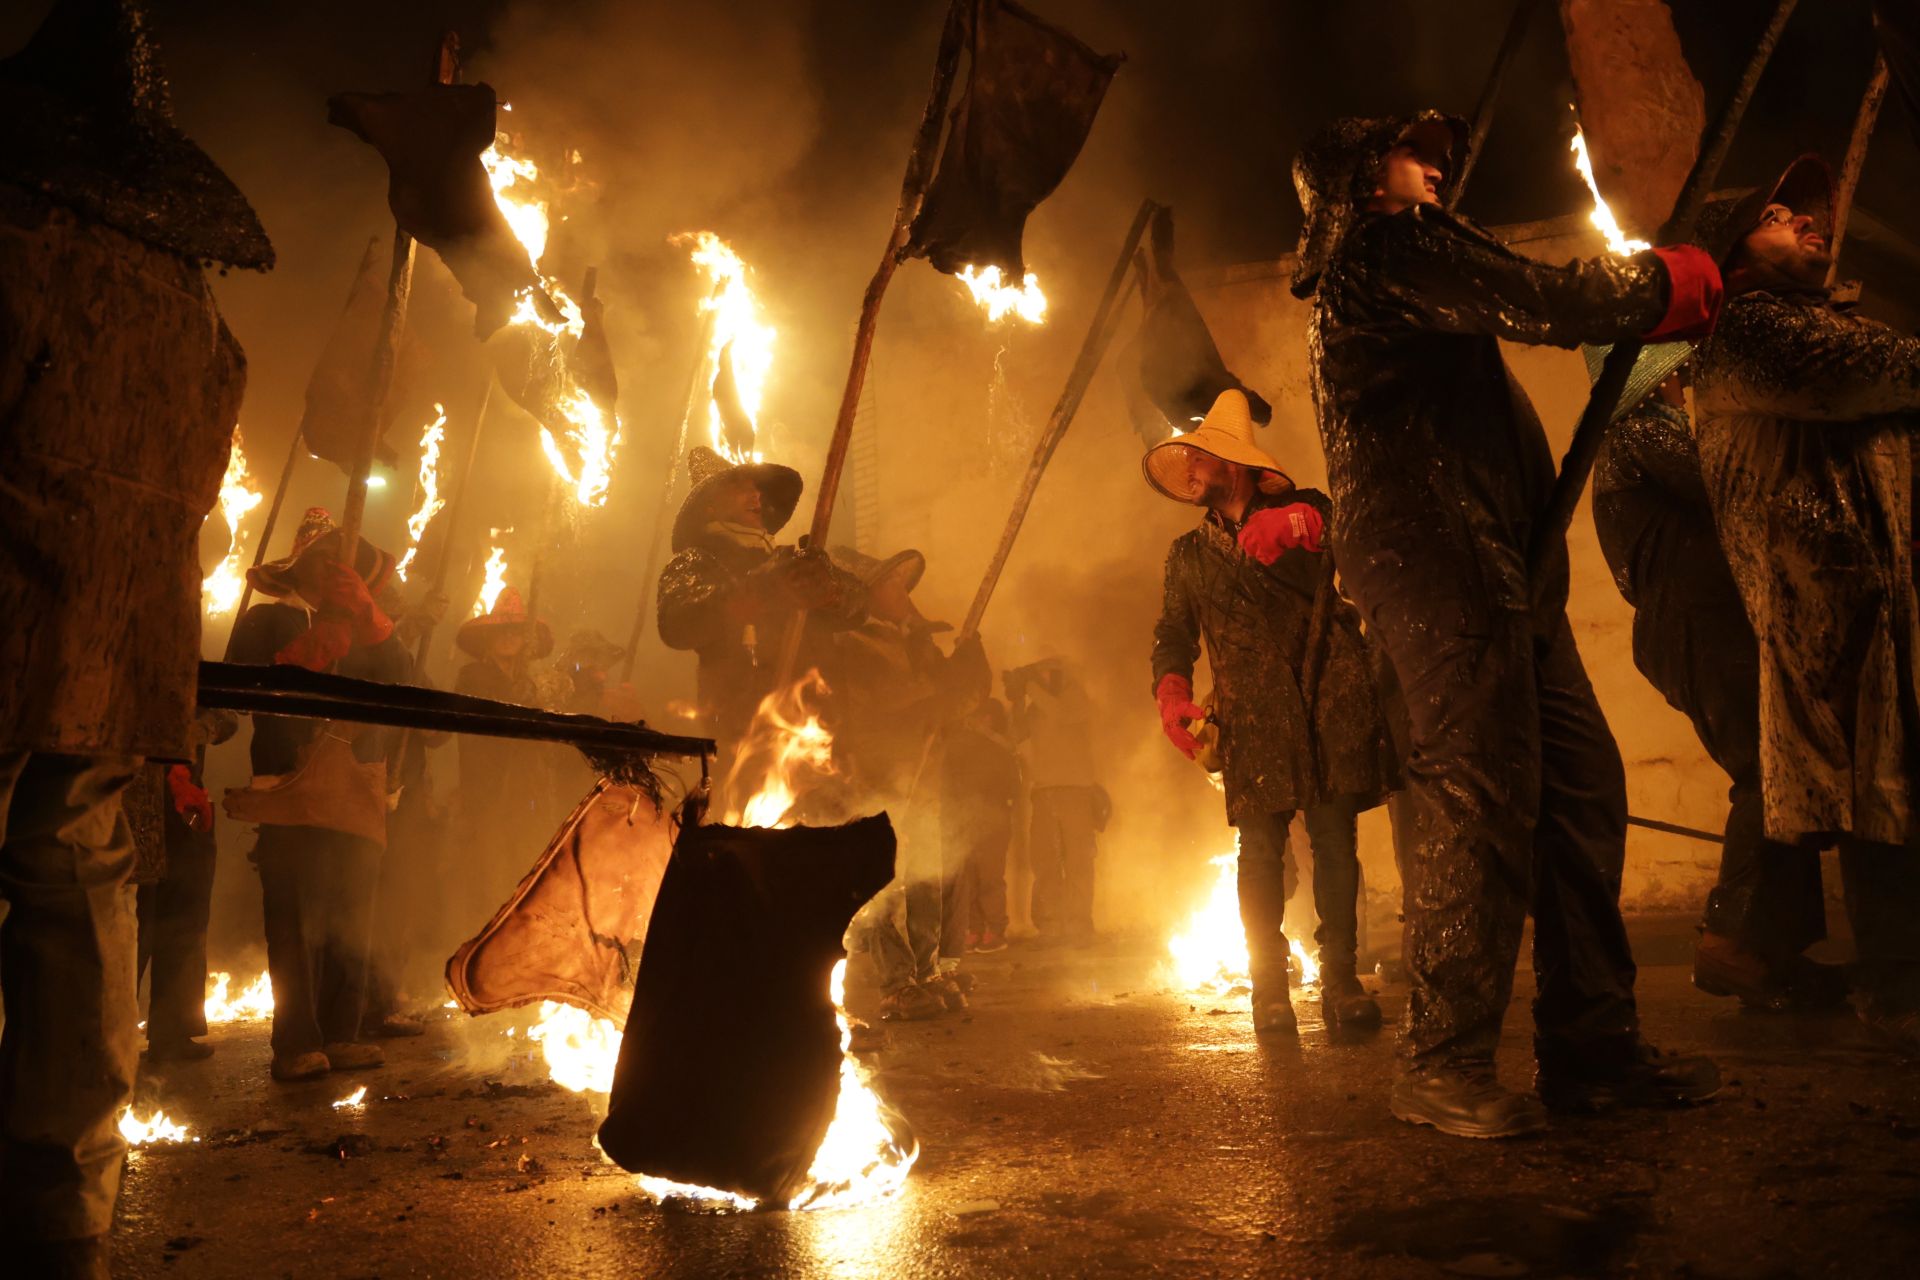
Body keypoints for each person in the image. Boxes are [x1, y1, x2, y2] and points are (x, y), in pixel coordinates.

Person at [1292, 110, 1723, 1136]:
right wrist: (1682, 279)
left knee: (1579, 787)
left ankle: (1593, 1049)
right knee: (1480, 798)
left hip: (1504, 570)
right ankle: (1441, 1058)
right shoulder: (1384, 250)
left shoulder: (1414, 252)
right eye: (1411, 150)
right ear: (1358, 179)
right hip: (1441, 569)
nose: (1436, 162)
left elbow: (1511, 294)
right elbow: (1549, 297)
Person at [0, 1, 268, 1269]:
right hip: (118, 651)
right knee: (76, 897)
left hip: (13, 626)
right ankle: (64, 1209)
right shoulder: (195, 307)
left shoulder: (18, 238)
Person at [1690, 154, 1920, 1052]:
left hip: (1877, 592)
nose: (1810, 223)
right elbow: (1872, 369)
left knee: (1893, 786)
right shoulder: (1748, 330)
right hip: (1824, 602)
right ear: (1733, 251)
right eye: (1780, 214)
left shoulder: (1815, 322)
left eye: (1811, 213)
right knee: (1877, 792)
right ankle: (1896, 989)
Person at [1592, 362, 1847, 1014]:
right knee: (1767, 773)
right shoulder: (1640, 433)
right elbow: (1736, 480)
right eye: (1679, 374)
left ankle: (1771, 953)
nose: (1690, 384)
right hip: (1698, 624)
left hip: (1703, 622)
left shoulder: (1638, 437)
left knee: (1779, 775)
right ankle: (1731, 939)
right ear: (1655, 383)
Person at [1146, 388, 1400, 1035]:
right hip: (1252, 715)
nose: (1190, 472)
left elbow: (1351, 532)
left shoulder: (1307, 510)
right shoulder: (1187, 557)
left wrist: (1303, 527)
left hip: (1326, 700)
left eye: (1200, 460)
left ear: (1231, 464)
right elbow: (1173, 634)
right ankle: (1268, 991)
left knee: (1334, 842)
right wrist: (1172, 693)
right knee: (1257, 852)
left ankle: (1340, 983)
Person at [226, 511, 406, 1083]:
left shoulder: (368, 623)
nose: (332, 568)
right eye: (321, 560)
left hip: (357, 784)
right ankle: (296, 1042)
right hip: (285, 780)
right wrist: (307, 649)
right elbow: (239, 684)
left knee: (353, 913)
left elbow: (405, 685)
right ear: (300, 567)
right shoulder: (264, 621)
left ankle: (343, 1033)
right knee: (293, 918)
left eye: (341, 560)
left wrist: (371, 621)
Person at [656, 446, 867, 770]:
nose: (754, 494)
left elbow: (859, 605)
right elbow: (678, 623)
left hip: (821, 739)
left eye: (756, 487)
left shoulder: (793, 561)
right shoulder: (698, 560)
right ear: (710, 506)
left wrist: (830, 589)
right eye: (739, 486)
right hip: (748, 743)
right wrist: (762, 590)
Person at [134, 710, 240, 1061]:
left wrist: (202, 728)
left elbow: (230, 714)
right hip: (132, 803)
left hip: (185, 807)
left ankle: (173, 1032)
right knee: (135, 927)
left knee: (186, 921)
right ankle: (106, 1035)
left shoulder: (196, 670)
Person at [1006, 658, 1106, 945]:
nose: (1041, 678)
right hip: (1044, 792)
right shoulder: (1037, 707)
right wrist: (1017, 700)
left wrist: (1029, 685)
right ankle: (1050, 925)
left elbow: (1062, 714)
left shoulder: (1075, 698)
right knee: (1046, 862)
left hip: (1076, 791)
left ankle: (1078, 926)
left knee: (1078, 861)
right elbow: (1016, 736)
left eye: (1044, 672)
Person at [942, 697, 1020, 955]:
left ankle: (995, 931)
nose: (974, 721)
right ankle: (974, 929)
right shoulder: (959, 748)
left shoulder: (999, 749)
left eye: (980, 716)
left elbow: (1012, 786)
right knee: (968, 880)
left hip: (992, 822)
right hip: (966, 821)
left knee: (989, 878)